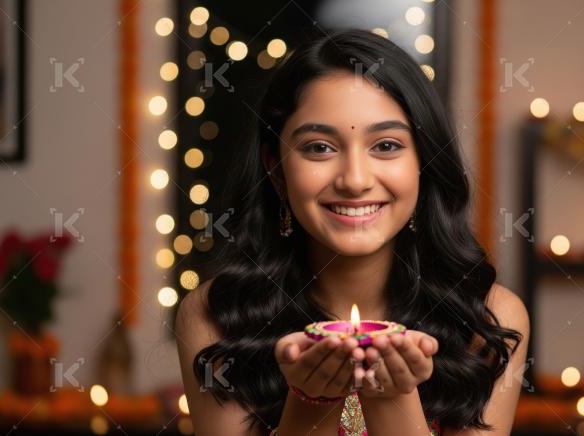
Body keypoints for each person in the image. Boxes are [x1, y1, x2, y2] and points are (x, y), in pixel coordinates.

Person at [175, 28, 530, 436]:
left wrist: (392, 397)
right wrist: (312, 403)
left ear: (424, 161)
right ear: (275, 168)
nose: (355, 180)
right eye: (320, 148)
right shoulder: (216, 315)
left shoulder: (488, 316)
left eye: (386, 146)